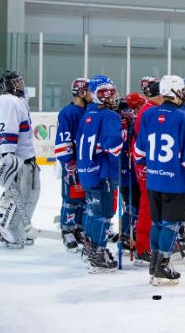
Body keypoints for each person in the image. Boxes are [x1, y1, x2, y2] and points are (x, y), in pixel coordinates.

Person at [134, 75, 185, 286]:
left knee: (157, 222)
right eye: (182, 90)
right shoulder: (184, 118)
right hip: (176, 182)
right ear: (174, 92)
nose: (184, 94)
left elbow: (139, 153)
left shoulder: (148, 114)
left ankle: (155, 263)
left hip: (154, 181)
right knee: (171, 225)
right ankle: (163, 266)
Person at [76, 75, 123, 273]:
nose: (111, 97)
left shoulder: (88, 113)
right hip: (104, 172)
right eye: (107, 93)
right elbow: (114, 148)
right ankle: (98, 253)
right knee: (103, 214)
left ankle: (90, 248)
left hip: (87, 171)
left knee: (92, 211)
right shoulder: (110, 116)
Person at [0, 71, 41, 249]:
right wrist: (8, 154)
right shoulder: (7, 101)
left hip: (27, 158)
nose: (20, 85)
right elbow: (6, 127)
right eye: (17, 82)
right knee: (18, 196)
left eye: (21, 81)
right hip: (17, 159)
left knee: (31, 195)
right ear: (8, 85)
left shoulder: (19, 101)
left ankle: (20, 230)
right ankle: (8, 232)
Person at [54, 78, 91, 252]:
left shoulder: (89, 111)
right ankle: (67, 230)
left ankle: (79, 228)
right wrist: (68, 162)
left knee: (84, 199)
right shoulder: (68, 113)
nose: (92, 95)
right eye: (90, 91)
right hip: (73, 163)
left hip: (86, 164)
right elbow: (63, 138)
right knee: (71, 199)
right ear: (81, 92)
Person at [132, 80, 163, 266]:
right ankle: (143, 248)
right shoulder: (148, 111)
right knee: (147, 206)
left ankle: (148, 244)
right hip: (145, 165)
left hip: (145, 163)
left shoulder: (147, 109)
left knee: (151, 204)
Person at [117, 92, 145, 252]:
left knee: (131, 204)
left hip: (124, 170)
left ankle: (127, 233)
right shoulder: (131, 121)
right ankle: (127, 235)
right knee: (134, 205)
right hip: (130, 170)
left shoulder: (121, 119)